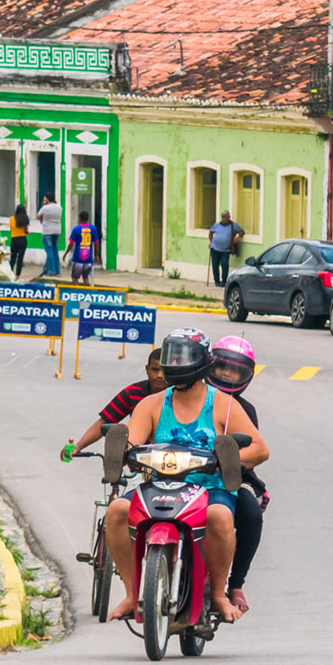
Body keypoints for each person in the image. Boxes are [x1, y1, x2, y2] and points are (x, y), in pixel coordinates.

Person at [61, 334, 269, 617]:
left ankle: (220, 594)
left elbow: (260, 449)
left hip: (210, 487)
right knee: (117, 511)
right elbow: (132, 442)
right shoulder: (151, 404)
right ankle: (132, 594)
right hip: (160, 484)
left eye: (181, 357)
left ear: (201, 362)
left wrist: (226, 460)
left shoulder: (224, 404)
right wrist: (124, 452)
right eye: (171, 357)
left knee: (220, 516)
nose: (173, 363)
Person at [208, 210, 244, 287]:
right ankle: (217, 281)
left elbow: (241, 232)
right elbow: (211, 233)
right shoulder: (217, 225)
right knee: (215, 265)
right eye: (222, 217)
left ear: (229, 217)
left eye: (225, 217)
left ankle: (224, 281)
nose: (223, 219)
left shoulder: (233, 225)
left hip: (225, 250)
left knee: (225, 264)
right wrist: (211, 242)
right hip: (215, 249)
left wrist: (237, 236)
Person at [68, 211, 100, 286]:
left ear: (79, 218)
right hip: (88, 259)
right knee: (86, 278)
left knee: (75, 278)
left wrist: (66, 253)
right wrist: (96, 255)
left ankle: (77, 292)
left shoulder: (76, 229)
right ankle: (86, 293)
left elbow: (71, 243)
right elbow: (96, 243)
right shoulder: (93, 229)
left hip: (77, 259)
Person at [37, 194, 62, 277]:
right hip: (57, 230)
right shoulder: (59, 207)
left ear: (47, 199)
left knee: (49, 251)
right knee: (55, 250)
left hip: (47, 231)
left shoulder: (45, 208)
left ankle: (51, 271)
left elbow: (38, 217)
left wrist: (43, 219)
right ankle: (57, 270)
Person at [8, 203, 30, 279]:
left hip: (14, 240)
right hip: (22, 240)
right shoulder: (25, 219)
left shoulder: (11, 219)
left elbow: (11, 230)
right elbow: (26, 231)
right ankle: (17, 275)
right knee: (20, 259)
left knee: (12, 258)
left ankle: (10, 273)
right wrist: (27, 233)